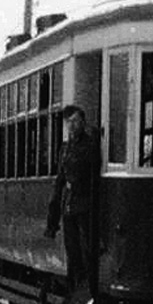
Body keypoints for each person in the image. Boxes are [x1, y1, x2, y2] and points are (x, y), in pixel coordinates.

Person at [45, 105, 101, 290]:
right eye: (69, 122)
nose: (72, 125)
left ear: (83, 122)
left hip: (85, 205)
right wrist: (52, 221)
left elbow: (92, 177)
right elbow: (59, 181)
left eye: (76, 121)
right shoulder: (65, 148)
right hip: (69, 206)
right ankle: (75, 286)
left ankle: (85, 286)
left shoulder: (90, 146)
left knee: (87, 250)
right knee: (72, 250)